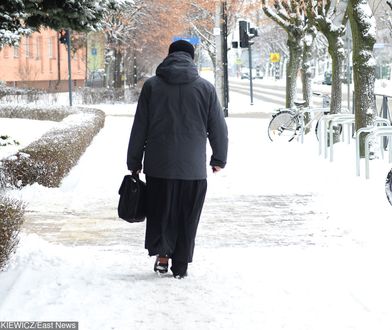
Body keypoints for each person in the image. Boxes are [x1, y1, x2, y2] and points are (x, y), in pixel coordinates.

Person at [127, 40, 228, 279]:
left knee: (161, 212)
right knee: (187, 215)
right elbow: (218, 128)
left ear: (169, 56)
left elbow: (139, 126)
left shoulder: (152, 87)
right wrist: (219, 158)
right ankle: (180, 265)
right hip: (192, 169)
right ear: (192, 59)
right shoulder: (206, 88)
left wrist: (134, 162)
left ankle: (163, 256)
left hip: (158, 166)